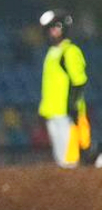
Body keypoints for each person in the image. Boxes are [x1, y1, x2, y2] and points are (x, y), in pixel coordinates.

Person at [38, 9, 91, 168]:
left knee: (70, 159)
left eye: (56, 27)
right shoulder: (52, 52)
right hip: (53, 112)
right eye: (50, 28)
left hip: (67, 112)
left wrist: (72, 106)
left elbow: (79, 81)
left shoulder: (70, 51)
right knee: (61, 160)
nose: (53, 32)